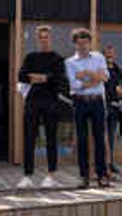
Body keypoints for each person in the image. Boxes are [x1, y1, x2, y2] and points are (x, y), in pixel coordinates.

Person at [18, 26, 67, 187]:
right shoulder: (31, 57)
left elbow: (59, 79)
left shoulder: (57, 58)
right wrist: (46, 77)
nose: (44, 40)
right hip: (32, 101)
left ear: (50, 38)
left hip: (51, 102)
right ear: (37, 39)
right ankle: (27, 175)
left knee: (51, 139)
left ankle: (51, 175)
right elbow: (22, 76)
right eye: (41, 37)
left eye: (46, 37)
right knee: (29, 138)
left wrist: (40, 77)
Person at [66, 29, 111, 187]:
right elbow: (74, 85)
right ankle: (84, 176)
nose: (83, 46)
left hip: (97, 101)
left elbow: (105, 77)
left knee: (100, 139)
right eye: (79, 43)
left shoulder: (99, 57)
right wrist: (95, 79)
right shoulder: (70, 62)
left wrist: (86, 73)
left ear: (90, 43)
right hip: (80, 102)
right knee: (82, 140)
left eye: (85, 42)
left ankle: (102, 175)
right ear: (75, 44)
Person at [103, 43, 122, 176]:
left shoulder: (118, 70)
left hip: (115, 108)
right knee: (102, 137)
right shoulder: (102, 69)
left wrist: (121, 90)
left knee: (111, 137)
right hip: (103, 107)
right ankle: (103, 163)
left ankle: (110, 163)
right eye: (107, 53)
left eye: (111, 53)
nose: (110, 55)